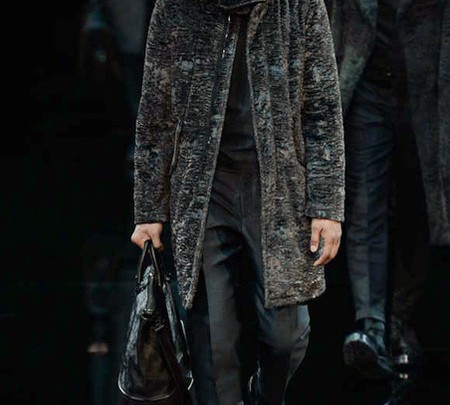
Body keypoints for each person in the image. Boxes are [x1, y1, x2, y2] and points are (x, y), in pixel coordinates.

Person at [130, 1, 345, 404]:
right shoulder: (177, 7)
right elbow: (156, 111)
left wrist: (327, 206)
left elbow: (322, 109)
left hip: (279, 189)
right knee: (215, 348)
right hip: (204, 192)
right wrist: (149, 210)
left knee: (286, 338)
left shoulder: (299, 6)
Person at [325, 0, 450, 380]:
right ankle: (371, 326)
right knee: (364, 202)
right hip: (367, 80)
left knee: (420, 206)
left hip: (429, 89)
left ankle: (399, 321)